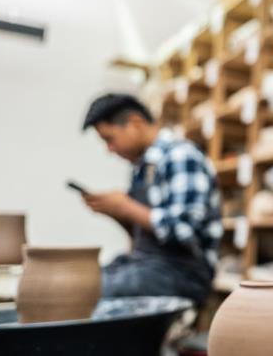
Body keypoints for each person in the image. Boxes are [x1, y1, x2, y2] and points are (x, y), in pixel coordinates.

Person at [81, 93, 222, 305]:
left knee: (92, 291)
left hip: (184, 273)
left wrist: (126, 207)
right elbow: (144, 236)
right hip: (149, 264)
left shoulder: (180, 156)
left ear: (135, 123)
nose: (109, 149)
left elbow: (183, 231)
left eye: (109, 139)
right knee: (83, 279)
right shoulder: (142, 168)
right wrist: (117, 214)